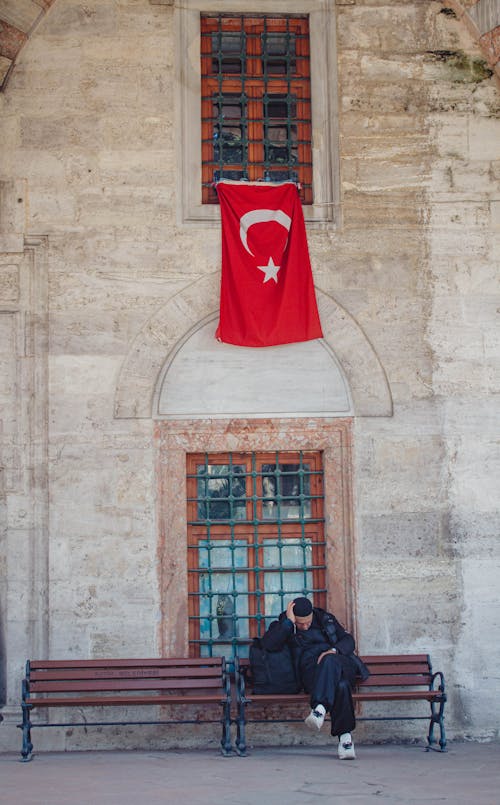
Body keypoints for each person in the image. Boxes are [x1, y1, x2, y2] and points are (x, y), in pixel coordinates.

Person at [260, 596, 358, 759]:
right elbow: (269, 645)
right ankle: (345, 740)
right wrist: (289, 624)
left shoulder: (326, 620)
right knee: (340, 686)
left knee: (330, 661)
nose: (305, 626)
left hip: (339, 663)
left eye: (308, 622)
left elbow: (348, 640)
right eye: (300, 623)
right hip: (313, 676)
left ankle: (319, 708)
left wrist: (333, 651)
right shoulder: (284, 625)